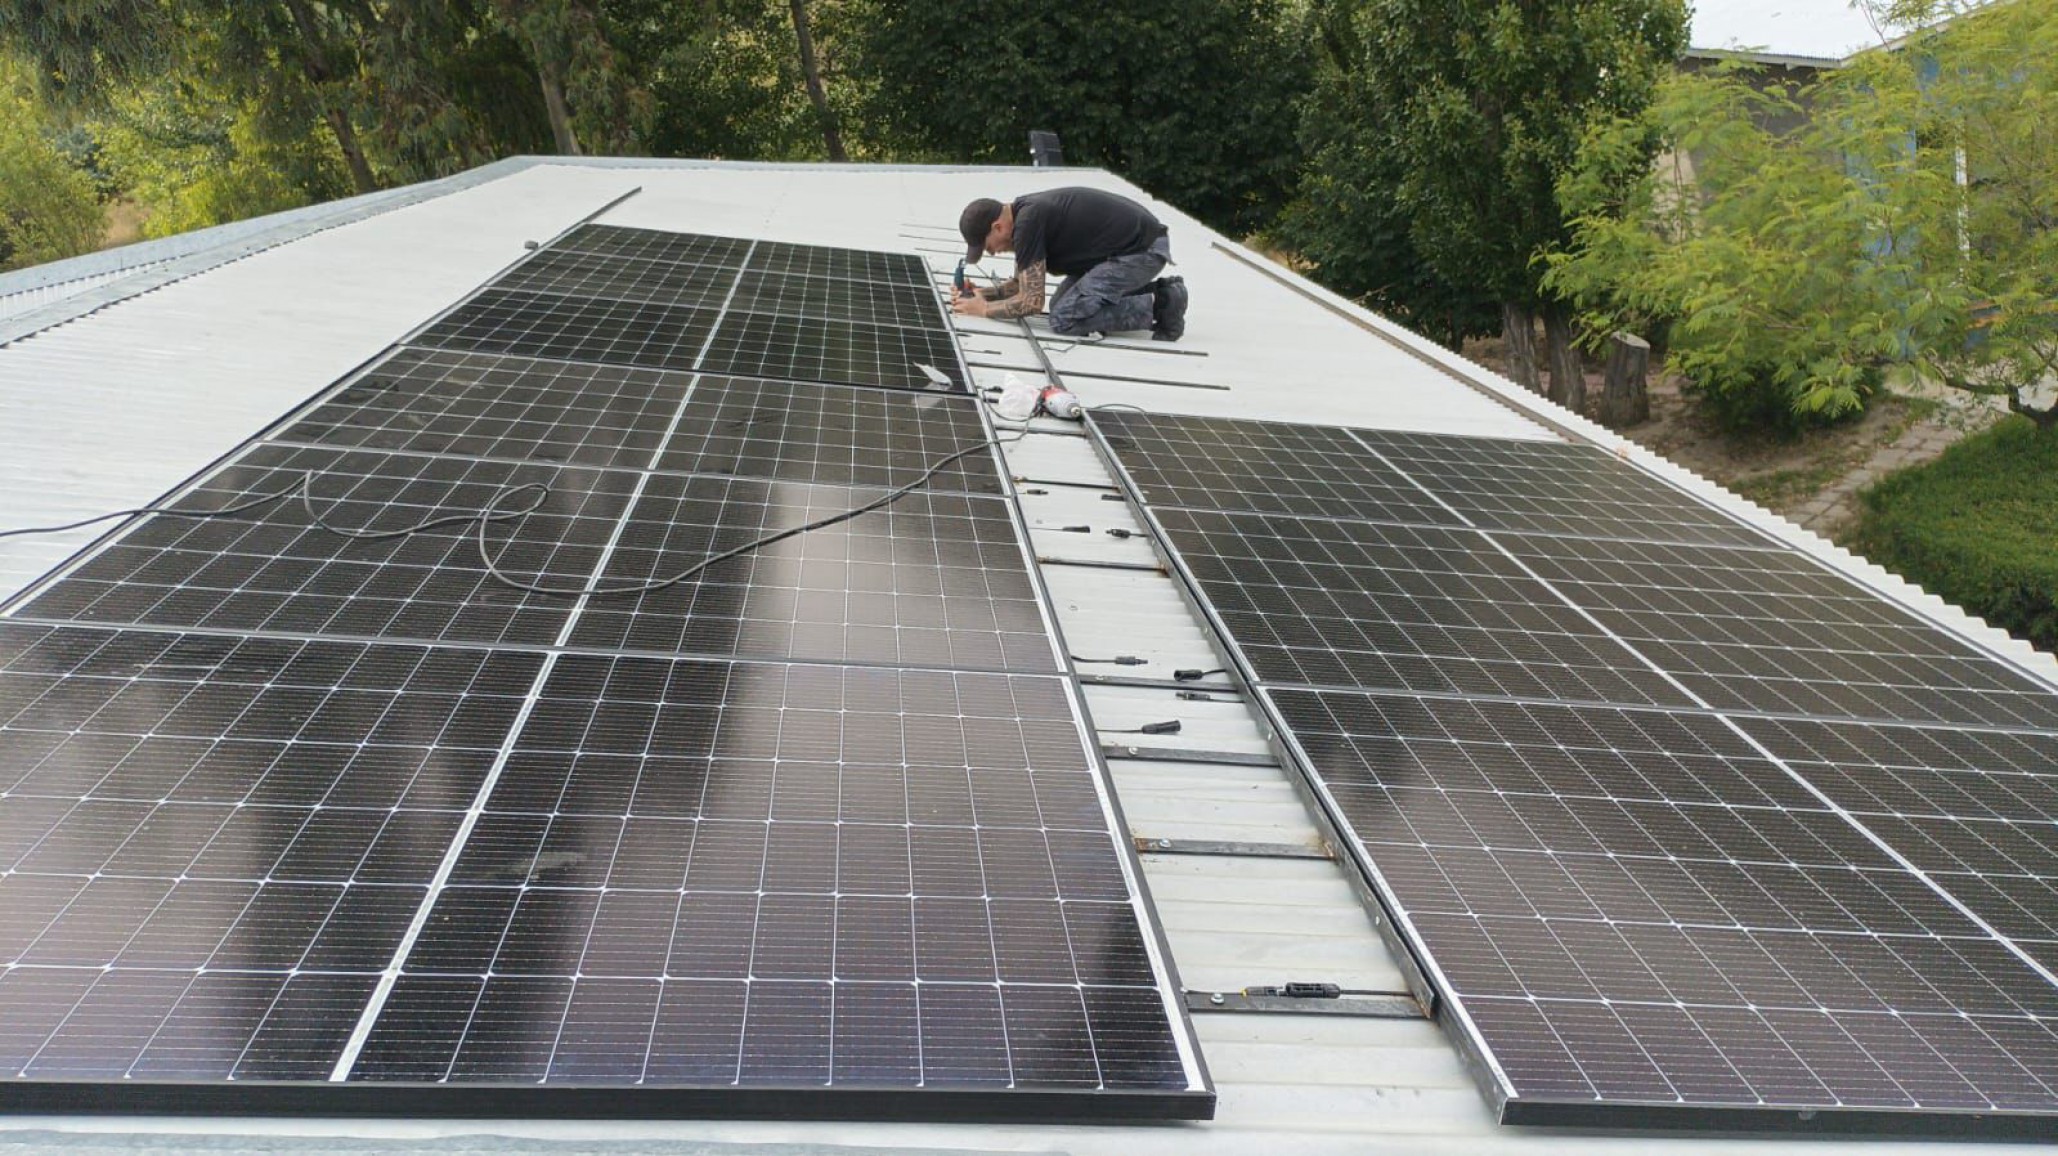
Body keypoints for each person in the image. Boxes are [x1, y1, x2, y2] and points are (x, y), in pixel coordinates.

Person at [953, 187, 1188, 341]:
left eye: (987, 246)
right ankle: (1158, 293)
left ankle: (1163, 304)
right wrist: (981, 294)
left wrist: (983, 310)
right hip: (1127, 249)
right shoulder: (1025, 216)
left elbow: (1031, 301)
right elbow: (1019, 285)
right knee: (1060, 306)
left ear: (998, 227)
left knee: (1064, 319)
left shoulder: (1027, 224)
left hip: (1141, 252)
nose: (992, 253)